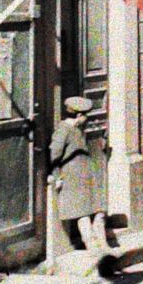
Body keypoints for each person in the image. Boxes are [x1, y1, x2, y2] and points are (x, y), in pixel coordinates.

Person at [48, 96, 115, 263]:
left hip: (86, 177)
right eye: (86, 116)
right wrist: (56, 176)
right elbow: (53, 155)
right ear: (78, 116)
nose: (87, 119)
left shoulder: (77, 129)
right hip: (72, 179)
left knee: (99, 210)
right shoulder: (63, 131)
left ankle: (103, 244)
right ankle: (92, 245)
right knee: (82, 214)